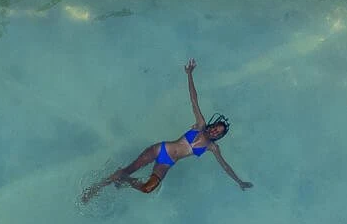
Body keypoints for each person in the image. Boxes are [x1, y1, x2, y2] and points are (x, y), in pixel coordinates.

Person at [82, 60, 252, 202]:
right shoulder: (200, 124)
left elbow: (225, 166)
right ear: (212, 125)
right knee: (126, 170)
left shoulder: (212, 148)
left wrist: (239, 182)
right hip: (159, 149)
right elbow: (194, 99)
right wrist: (190, 74)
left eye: (219, 132)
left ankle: (123, 178)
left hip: (167, 163)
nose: (215, 131)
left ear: (220, 137)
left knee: (147, 189)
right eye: (215, 128)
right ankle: (94, 190)